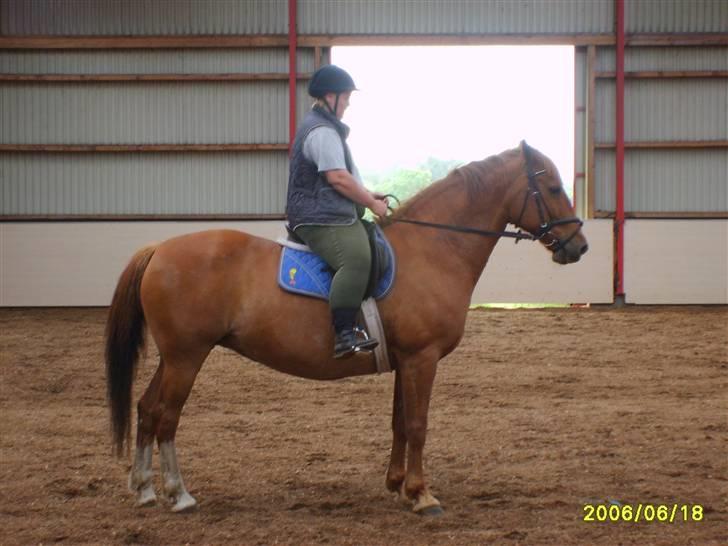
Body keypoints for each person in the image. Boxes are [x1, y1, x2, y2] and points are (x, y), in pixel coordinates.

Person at [286, 65, 389, 359]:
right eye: (345, 98)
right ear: (330, 97)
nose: (347, 104)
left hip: (329, 211)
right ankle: (344, 332)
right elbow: (338, 178)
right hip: (318, 216)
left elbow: (345, 177)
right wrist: (371, 204)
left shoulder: (327, 129)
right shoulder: (321, 131)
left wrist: (367, 193)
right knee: (357, 259)